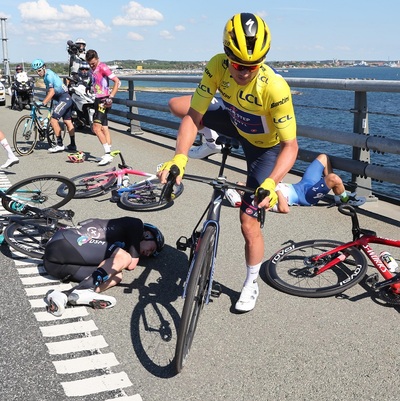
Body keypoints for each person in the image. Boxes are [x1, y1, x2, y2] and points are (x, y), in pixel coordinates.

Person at [158, 13, 298, 312]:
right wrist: (179, 159)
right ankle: (211, 142)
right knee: (178, 107)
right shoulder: (217, 64)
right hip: (233, 121)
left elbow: (291, 146)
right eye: (238, 65)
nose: (245, 72)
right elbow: (193, 116)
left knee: (248, 222)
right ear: (227, 54)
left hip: (265, 149)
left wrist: (271, 183)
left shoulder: (275, 87)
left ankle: (251, 282)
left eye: (252, 66)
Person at [43, 217, 164, 316]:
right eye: (152, 249)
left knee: (117, 276)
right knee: (125, 258)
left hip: (54, 266)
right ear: (148, 234)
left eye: (150, 255)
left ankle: (67, 295)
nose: (148, 254)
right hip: (65, 239)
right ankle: (86, 288)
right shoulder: (136, 225)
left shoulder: (116, 249)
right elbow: (132, 264)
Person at [269, 154, 366, 213]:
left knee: (323, 158)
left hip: (303, 184)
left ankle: (338, 195)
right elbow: (284, 209)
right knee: (333, 178)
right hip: (306, 197)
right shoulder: (265, 203)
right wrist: (277, 189)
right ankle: (345, 199)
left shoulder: (260, 189)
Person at [31, 59, 77, 152]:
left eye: (39, 70)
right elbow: (51, 91)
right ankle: (73, 145)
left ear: (44, 68)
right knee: (68, 121)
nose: (38, 73)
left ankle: (59, 144)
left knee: (53, 120)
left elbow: (51, 92)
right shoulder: (46, 75)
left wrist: (43, 102)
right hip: (63, 98)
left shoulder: (48, 76)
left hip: (64, 98)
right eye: (36, 71)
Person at [85, 49, 121, 166]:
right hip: (97, 99)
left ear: (98, 59)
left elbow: (117, 81)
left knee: (96, 128)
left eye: (93, 63)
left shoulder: (103, 67)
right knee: (104, 127)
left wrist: (111, 97)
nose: (91, 66)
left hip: (104, 100)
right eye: (89, 64)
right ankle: (109, 154)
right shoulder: (93, 69)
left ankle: (107, 153)